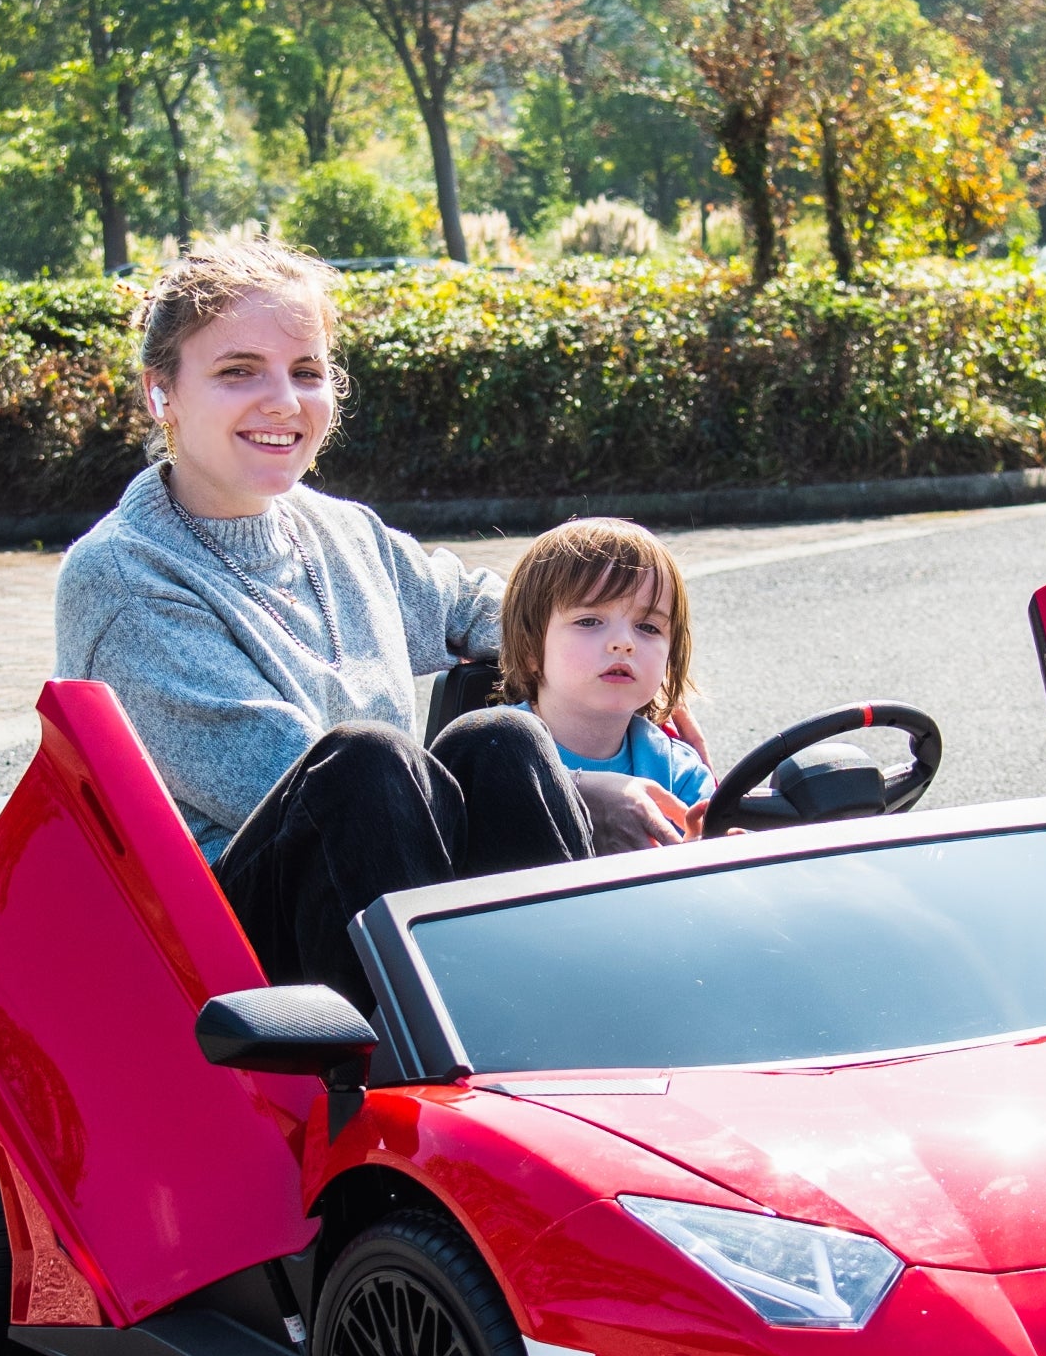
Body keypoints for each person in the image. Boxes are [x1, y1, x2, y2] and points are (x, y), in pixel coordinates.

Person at [55, 233, 681, 1008]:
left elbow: (491, 611)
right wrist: (580, 790)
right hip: (223, 950)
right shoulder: (123, 575)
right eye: (237, 371)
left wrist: (615, 675)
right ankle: (431, 1067)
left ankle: (587, 1020)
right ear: (163, 394)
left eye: (307, 372)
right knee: (363, 761)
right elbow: (288, 781)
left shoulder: (338, 530)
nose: (283, 401)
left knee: (502, 740)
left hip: (384, 864)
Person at [501, 519, 714, 831]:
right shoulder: (494, 752)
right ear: (530, 647)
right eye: (589, 621)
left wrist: (700, 854)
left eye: (648, 627)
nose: (624, 643)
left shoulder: (681, 774)